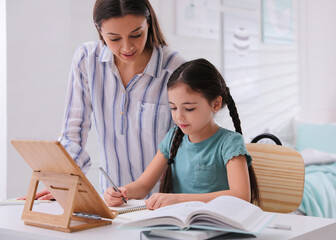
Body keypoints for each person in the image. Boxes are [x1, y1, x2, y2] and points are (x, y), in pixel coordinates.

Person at [24, 0, 185, 200]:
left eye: (136, 34)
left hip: (164, 200)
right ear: (100, 31)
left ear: (149, 24)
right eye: (114, 38)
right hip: (112, 199)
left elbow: (188, 138)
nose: (127, 47)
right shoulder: (87, 59)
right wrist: (63, 181)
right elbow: (73, 131)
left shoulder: (175, 68)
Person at [104, 58, 260, 209]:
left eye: (189, 108)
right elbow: (143, 185)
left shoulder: (229, 143)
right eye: (173, 108)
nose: (179, 116)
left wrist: (178, 199)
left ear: (215, 104)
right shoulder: (173, 138)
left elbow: (241, 196)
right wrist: (123, 192)